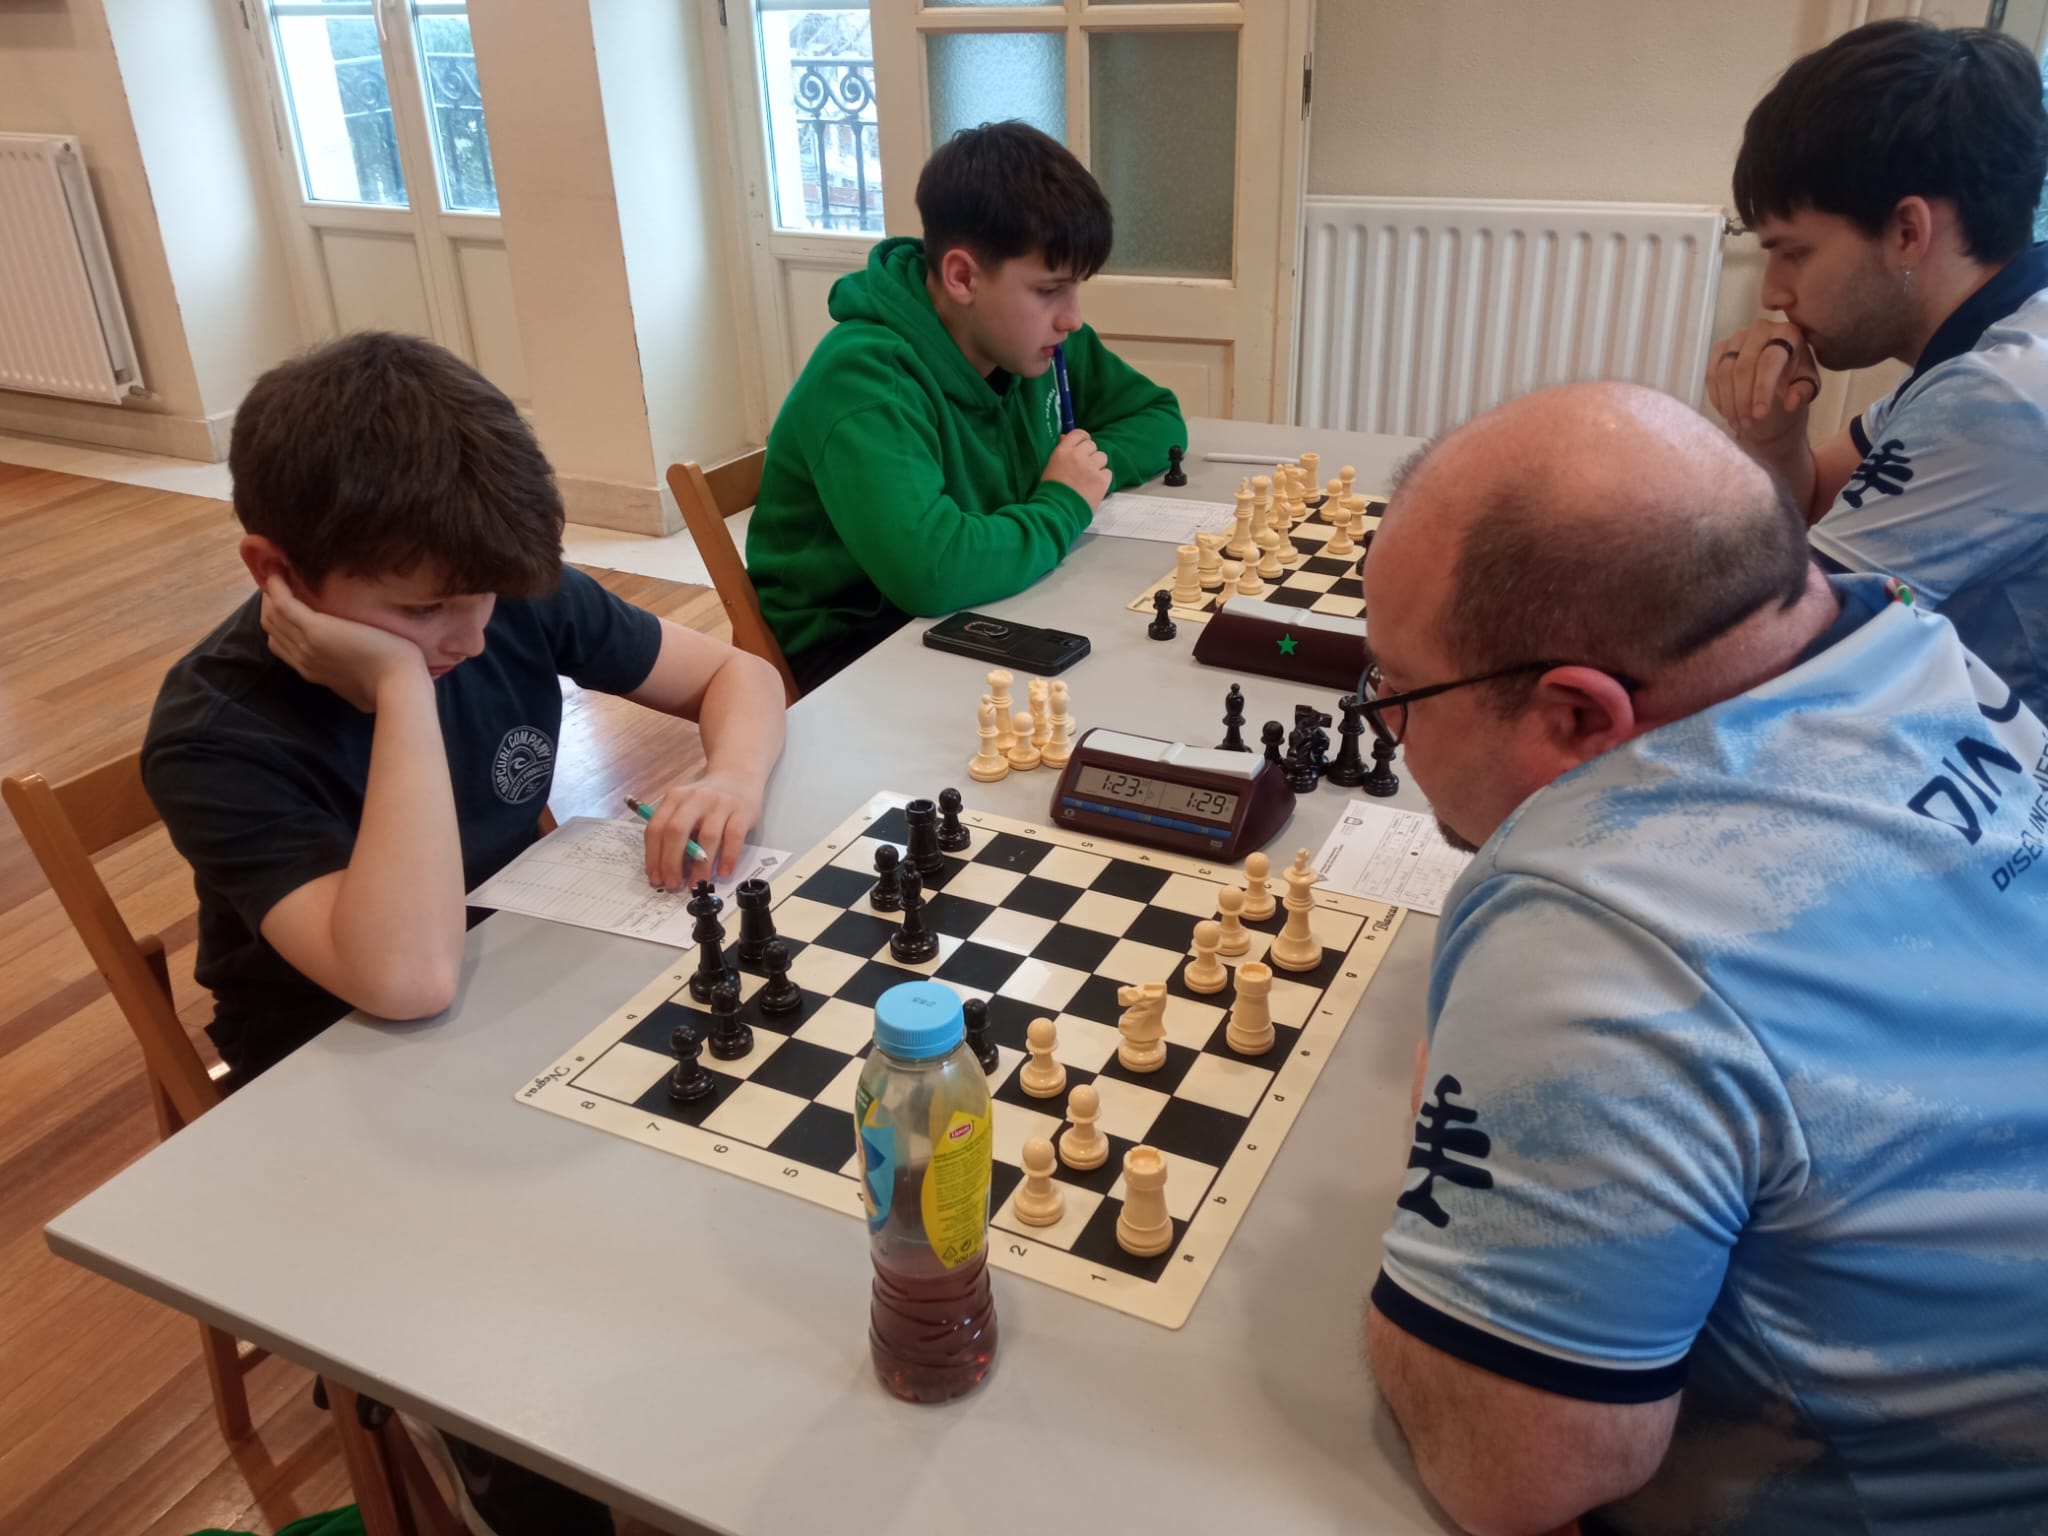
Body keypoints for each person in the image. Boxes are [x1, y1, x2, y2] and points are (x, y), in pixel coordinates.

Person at [1359, 382, 2048, 1534]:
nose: (1387, 728)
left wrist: (1465, 1077)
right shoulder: (1907, 641)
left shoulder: (1596, 933)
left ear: (1578, 716)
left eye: (1398, 692)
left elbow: (1510, 1474)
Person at [144, 332, 787, 1085]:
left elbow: (738, 674)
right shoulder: (213, 737)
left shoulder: (491, 585)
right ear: (274, 571)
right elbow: (406, 981)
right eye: (423, 611)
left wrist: (733, 776)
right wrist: (402, 687)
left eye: (486, 598)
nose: (473, 636)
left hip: (512, 954)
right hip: (331, 1048)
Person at [747, 120, 1186, 692]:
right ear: (962, 277)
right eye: (1048, 289)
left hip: (978, 600)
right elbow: (931, 572)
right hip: (854, 649)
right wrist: (1061, 501)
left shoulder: (1036, 343)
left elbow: (1159, 418)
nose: (1072, 317)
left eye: (1077, 287)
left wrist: (1082, 470)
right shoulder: (864, 377)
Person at [1708, 17, 2048, 720]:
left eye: (1793, 253)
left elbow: (1774, 640)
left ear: (1907, 232)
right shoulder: (1988, 337)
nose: (1772, 293)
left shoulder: (2000, 393)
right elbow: (1812, 505)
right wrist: (1774, 435)